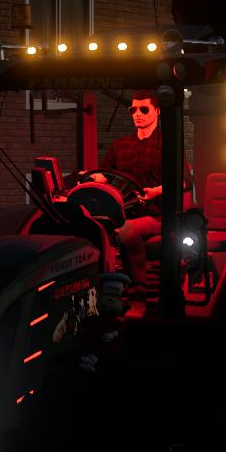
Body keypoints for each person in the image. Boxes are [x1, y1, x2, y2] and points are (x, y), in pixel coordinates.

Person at [90, 90, 177, 316]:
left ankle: (139, 297)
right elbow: (105, 173)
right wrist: (90, 177)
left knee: (127, 230)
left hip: (157, 216)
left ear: (157, 111)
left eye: (144, 109)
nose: (137, 114)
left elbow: (182, 182)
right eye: (133, 110)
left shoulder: (165, 145)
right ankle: (102, 295)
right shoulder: (121, 146)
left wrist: (157, 191)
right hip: (123, 213)